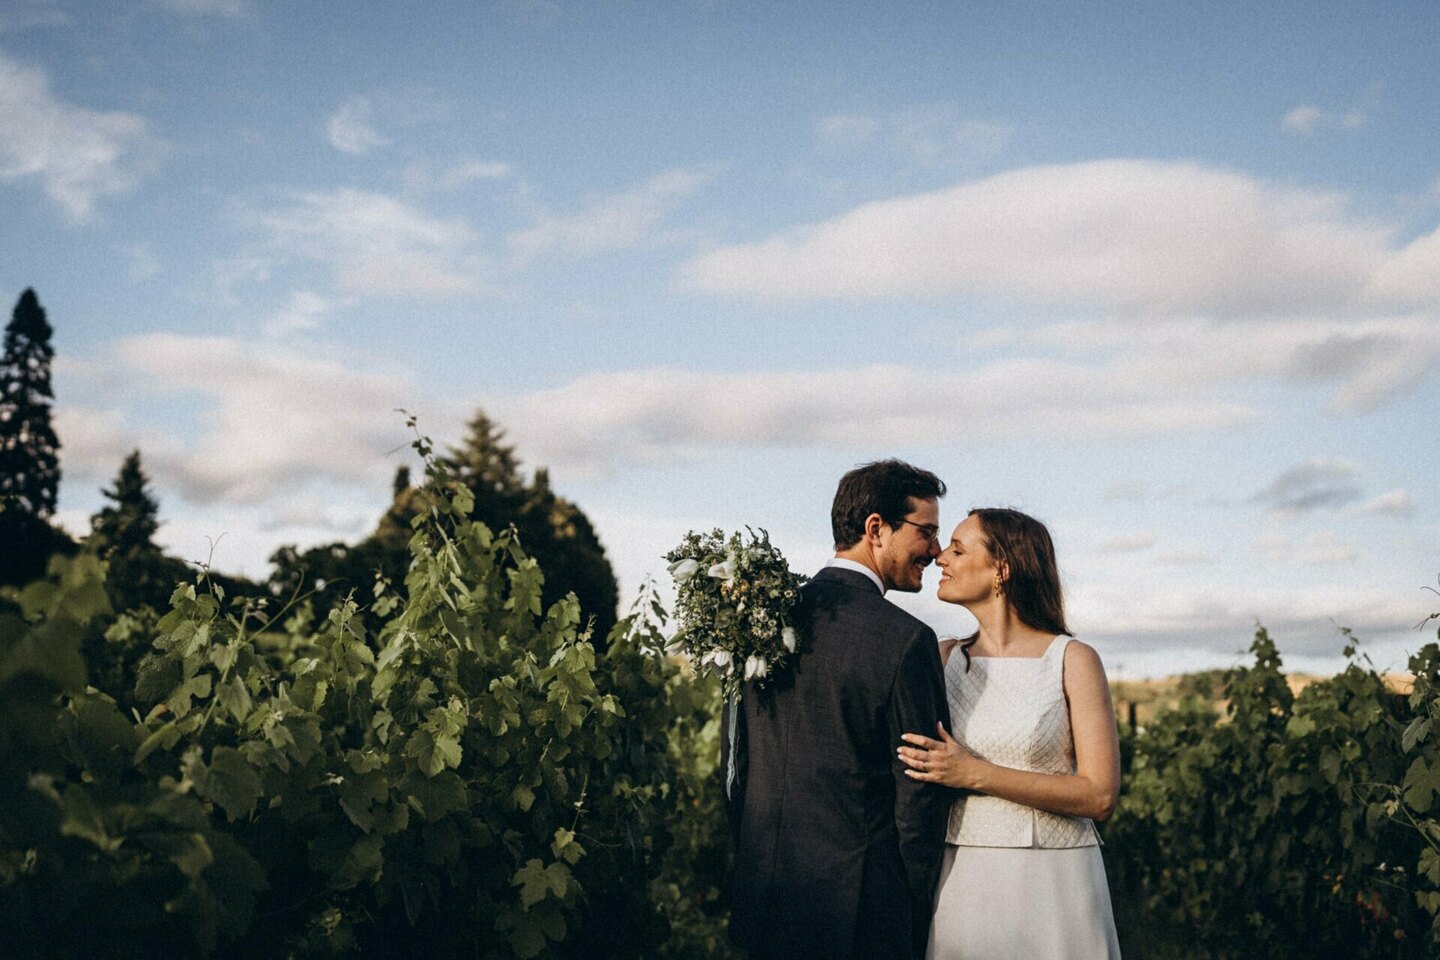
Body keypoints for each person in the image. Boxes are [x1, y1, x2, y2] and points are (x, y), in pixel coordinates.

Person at [724, 460, 955, 960]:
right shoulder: (906, 641)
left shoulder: (756, 621)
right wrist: (914, 910)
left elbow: (735, 770)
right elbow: (919, 803)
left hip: (762, 899)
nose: (936, 552)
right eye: (927, 532)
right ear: (876, 528)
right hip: (861, 916)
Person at [898, 508, 1122, 960]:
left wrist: (973, 773)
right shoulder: (940, 659)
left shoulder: (1073, 660)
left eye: (958, 550)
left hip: (1055, 877)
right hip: (961, 873)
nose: (940, 556)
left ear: (1002, 569)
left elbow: (1099, 796)